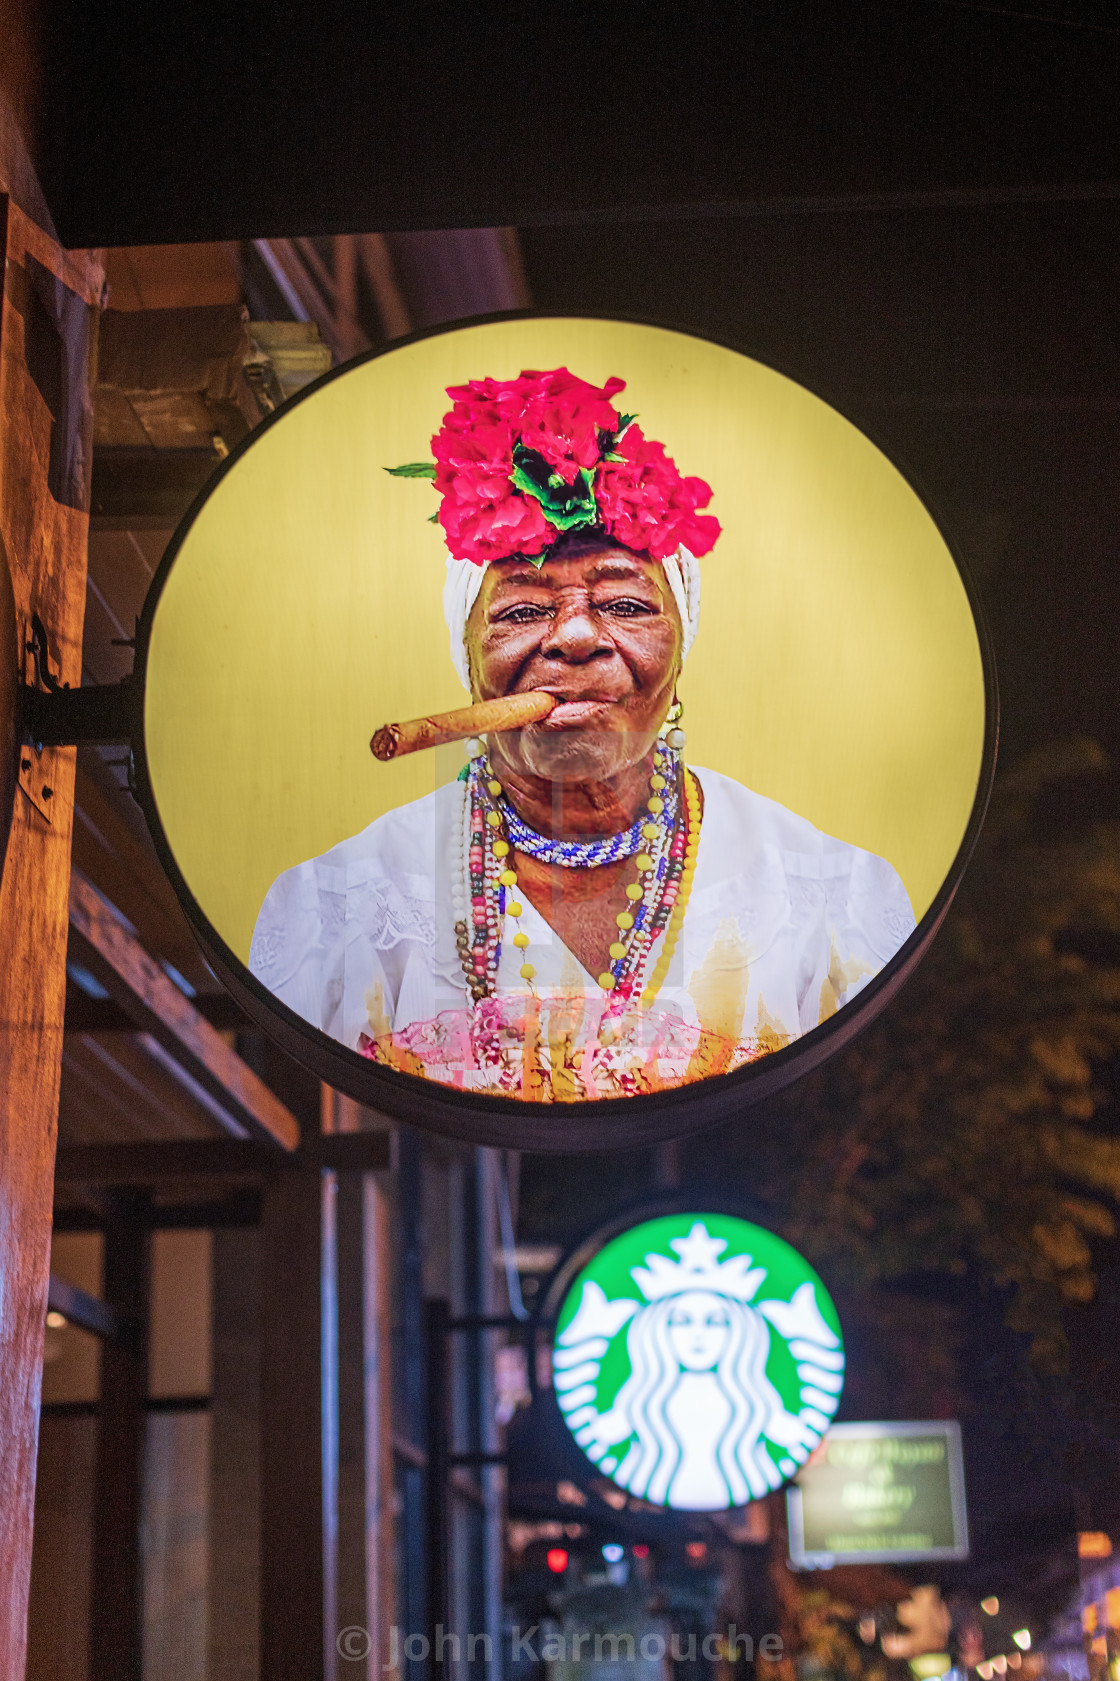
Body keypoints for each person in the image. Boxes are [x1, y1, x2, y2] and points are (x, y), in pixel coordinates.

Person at [249, 367, 915, 1100]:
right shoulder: (329, 914)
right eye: (523, 612)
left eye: (625, 605)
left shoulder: (834, 905)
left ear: (681, 651)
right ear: (467, 662)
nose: (572, 636)